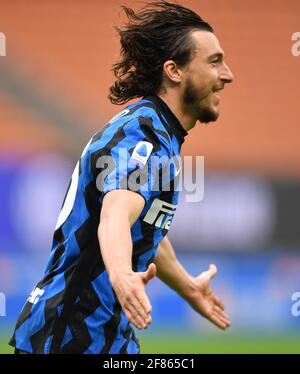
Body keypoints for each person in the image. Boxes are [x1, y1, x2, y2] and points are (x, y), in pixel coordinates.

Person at [9, 1, 233, 354]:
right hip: (72, 336)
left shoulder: (157, 131)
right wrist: (120, 275)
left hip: (108, 337)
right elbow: (116, 214)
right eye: (214, 61)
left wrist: (186, 285)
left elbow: (143, 226)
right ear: (174, 71)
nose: (227, 75)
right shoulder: (143, 137)